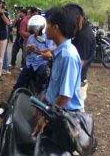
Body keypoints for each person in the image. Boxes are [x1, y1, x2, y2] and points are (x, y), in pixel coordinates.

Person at [32, 7, 84, 135]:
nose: (45, 29)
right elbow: (56, 87)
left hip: (66, 117)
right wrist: (44, 100)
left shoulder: (68, 56)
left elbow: (65, 96)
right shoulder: (59, 52)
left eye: (47, 24)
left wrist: (46, 118)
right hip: (57, 111)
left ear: (55, 28)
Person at [12, 15, 53, 94]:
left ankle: (38, 97)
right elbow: (25, 54)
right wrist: (29, 50)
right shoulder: (31, 37)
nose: (34, 30)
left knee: (41, 84)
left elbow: (50, 54)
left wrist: (38, 50)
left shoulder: (47, 38)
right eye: (33, 28)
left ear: (42, 27)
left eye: (36, 28)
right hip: (30, 64)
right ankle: (12, 99)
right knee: (19, 84)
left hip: (41, 64)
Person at [64, 3, 95, 101]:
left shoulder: (84, 36)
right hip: (75, 80)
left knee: (76, 112)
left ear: (77, 18)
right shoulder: (78, 31)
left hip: (77, 82)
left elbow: (79, 63)